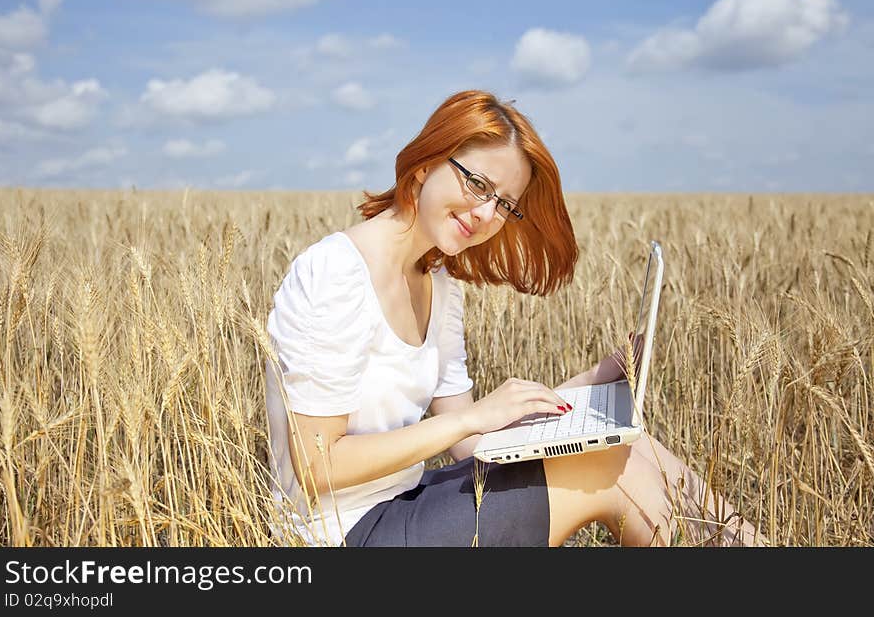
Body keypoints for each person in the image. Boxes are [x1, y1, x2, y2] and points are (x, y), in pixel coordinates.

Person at [264, 89, 766, 547]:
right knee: (610, 464)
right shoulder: (334, 274)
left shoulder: (439, 286)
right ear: (425, 164)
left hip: (402, 504)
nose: (486, 214)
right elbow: (316, 467)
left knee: (633, 446)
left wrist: (595, 383)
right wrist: (473, 417)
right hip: (340, 536)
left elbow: (471, 443)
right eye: (478, 184)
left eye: (504, 204)